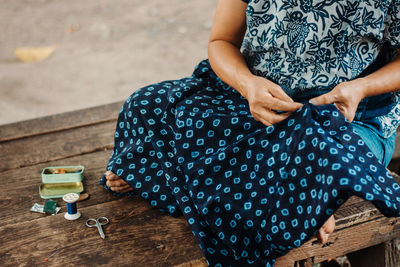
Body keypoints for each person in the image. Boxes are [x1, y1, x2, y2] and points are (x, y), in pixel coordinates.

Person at [101, 0, 400, 265]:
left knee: (320, 156)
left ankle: (159, 173)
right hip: (250, 100)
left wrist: (359, 88)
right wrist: (247, 84)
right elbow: (221, 40)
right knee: (146, 104)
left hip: (341, 120)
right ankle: (300, 196)